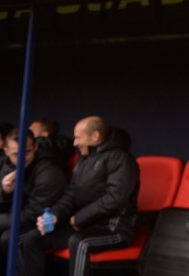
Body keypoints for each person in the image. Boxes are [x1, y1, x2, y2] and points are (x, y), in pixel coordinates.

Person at [16, 116, 139, 276]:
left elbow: (114, 199)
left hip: (113, 228)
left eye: (78, 138)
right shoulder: (84, 157)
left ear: (95, 136)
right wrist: (55, 215)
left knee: (79, 242)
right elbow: (72, 191)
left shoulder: (122, 159)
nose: (74, 143)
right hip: (82, 225)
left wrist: (79, 218)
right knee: (31, 238)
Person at [0, 129, 67, 268]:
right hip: (23, 218)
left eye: (27, 151)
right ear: (6, 151)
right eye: (16, 154)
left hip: (47, 223)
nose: (22, 157)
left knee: (10, 238)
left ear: (35, 147)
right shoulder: (7, 166)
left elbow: (33, 214)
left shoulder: (49, 172)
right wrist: (5, 192)